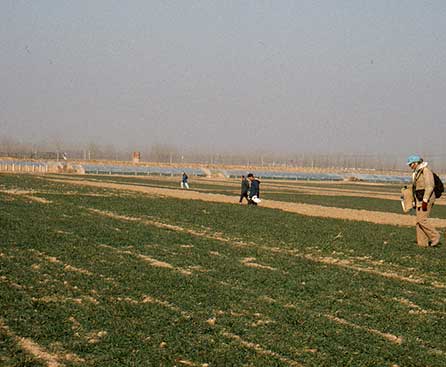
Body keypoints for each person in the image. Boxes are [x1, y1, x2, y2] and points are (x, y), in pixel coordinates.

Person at [407, 154, 441, 247]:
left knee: (422, 220)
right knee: (418, 221)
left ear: (416, 163)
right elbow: (416, 188)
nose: (410, 166)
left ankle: (435, 236)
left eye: (411, 164)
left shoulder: (426, 171)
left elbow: (430, 186)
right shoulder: (416, 172)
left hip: (427, 199)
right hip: (419, 199)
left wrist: (425, 200)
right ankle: (422, 244)